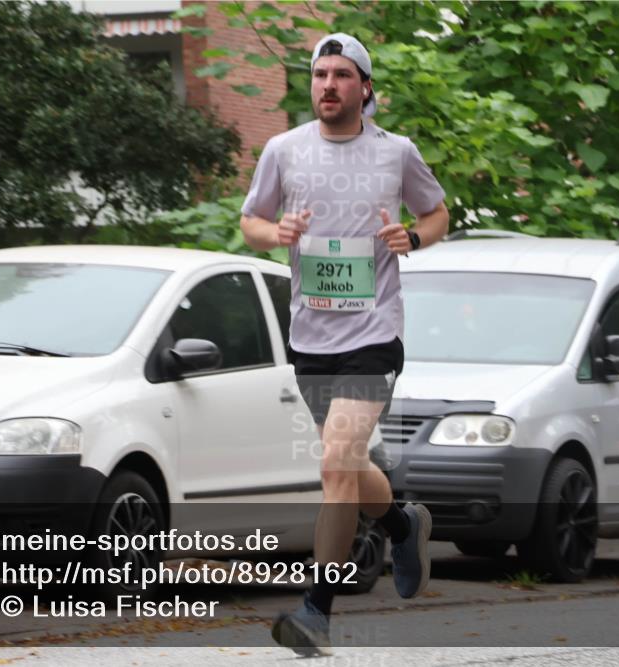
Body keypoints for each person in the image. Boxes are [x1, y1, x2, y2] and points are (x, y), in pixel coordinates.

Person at [240, 33, 450, 656]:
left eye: (340, 75)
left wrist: (414, 236)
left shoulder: (396, 153)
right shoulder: (283, 150)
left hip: (374, 335)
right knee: (351, 469)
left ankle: (316, 610)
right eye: (319, 74)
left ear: (364, 87)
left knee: (334, 465)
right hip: (310, 336)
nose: (327, 85)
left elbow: (438, 213)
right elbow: (251, 222)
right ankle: (401, 522)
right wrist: (273, 232)